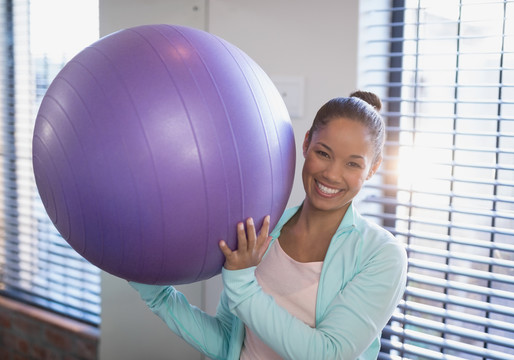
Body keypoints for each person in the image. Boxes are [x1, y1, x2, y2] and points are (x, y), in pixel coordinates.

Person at [130, 90, 408, 360]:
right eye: (323, 154)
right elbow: (229, 343)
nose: (332, 174)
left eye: (353, 164)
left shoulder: (382, 256)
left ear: (373, 167)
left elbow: (327, 352)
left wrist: (241, 282)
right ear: (307, 142)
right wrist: (156, 293)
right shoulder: (262, 231)